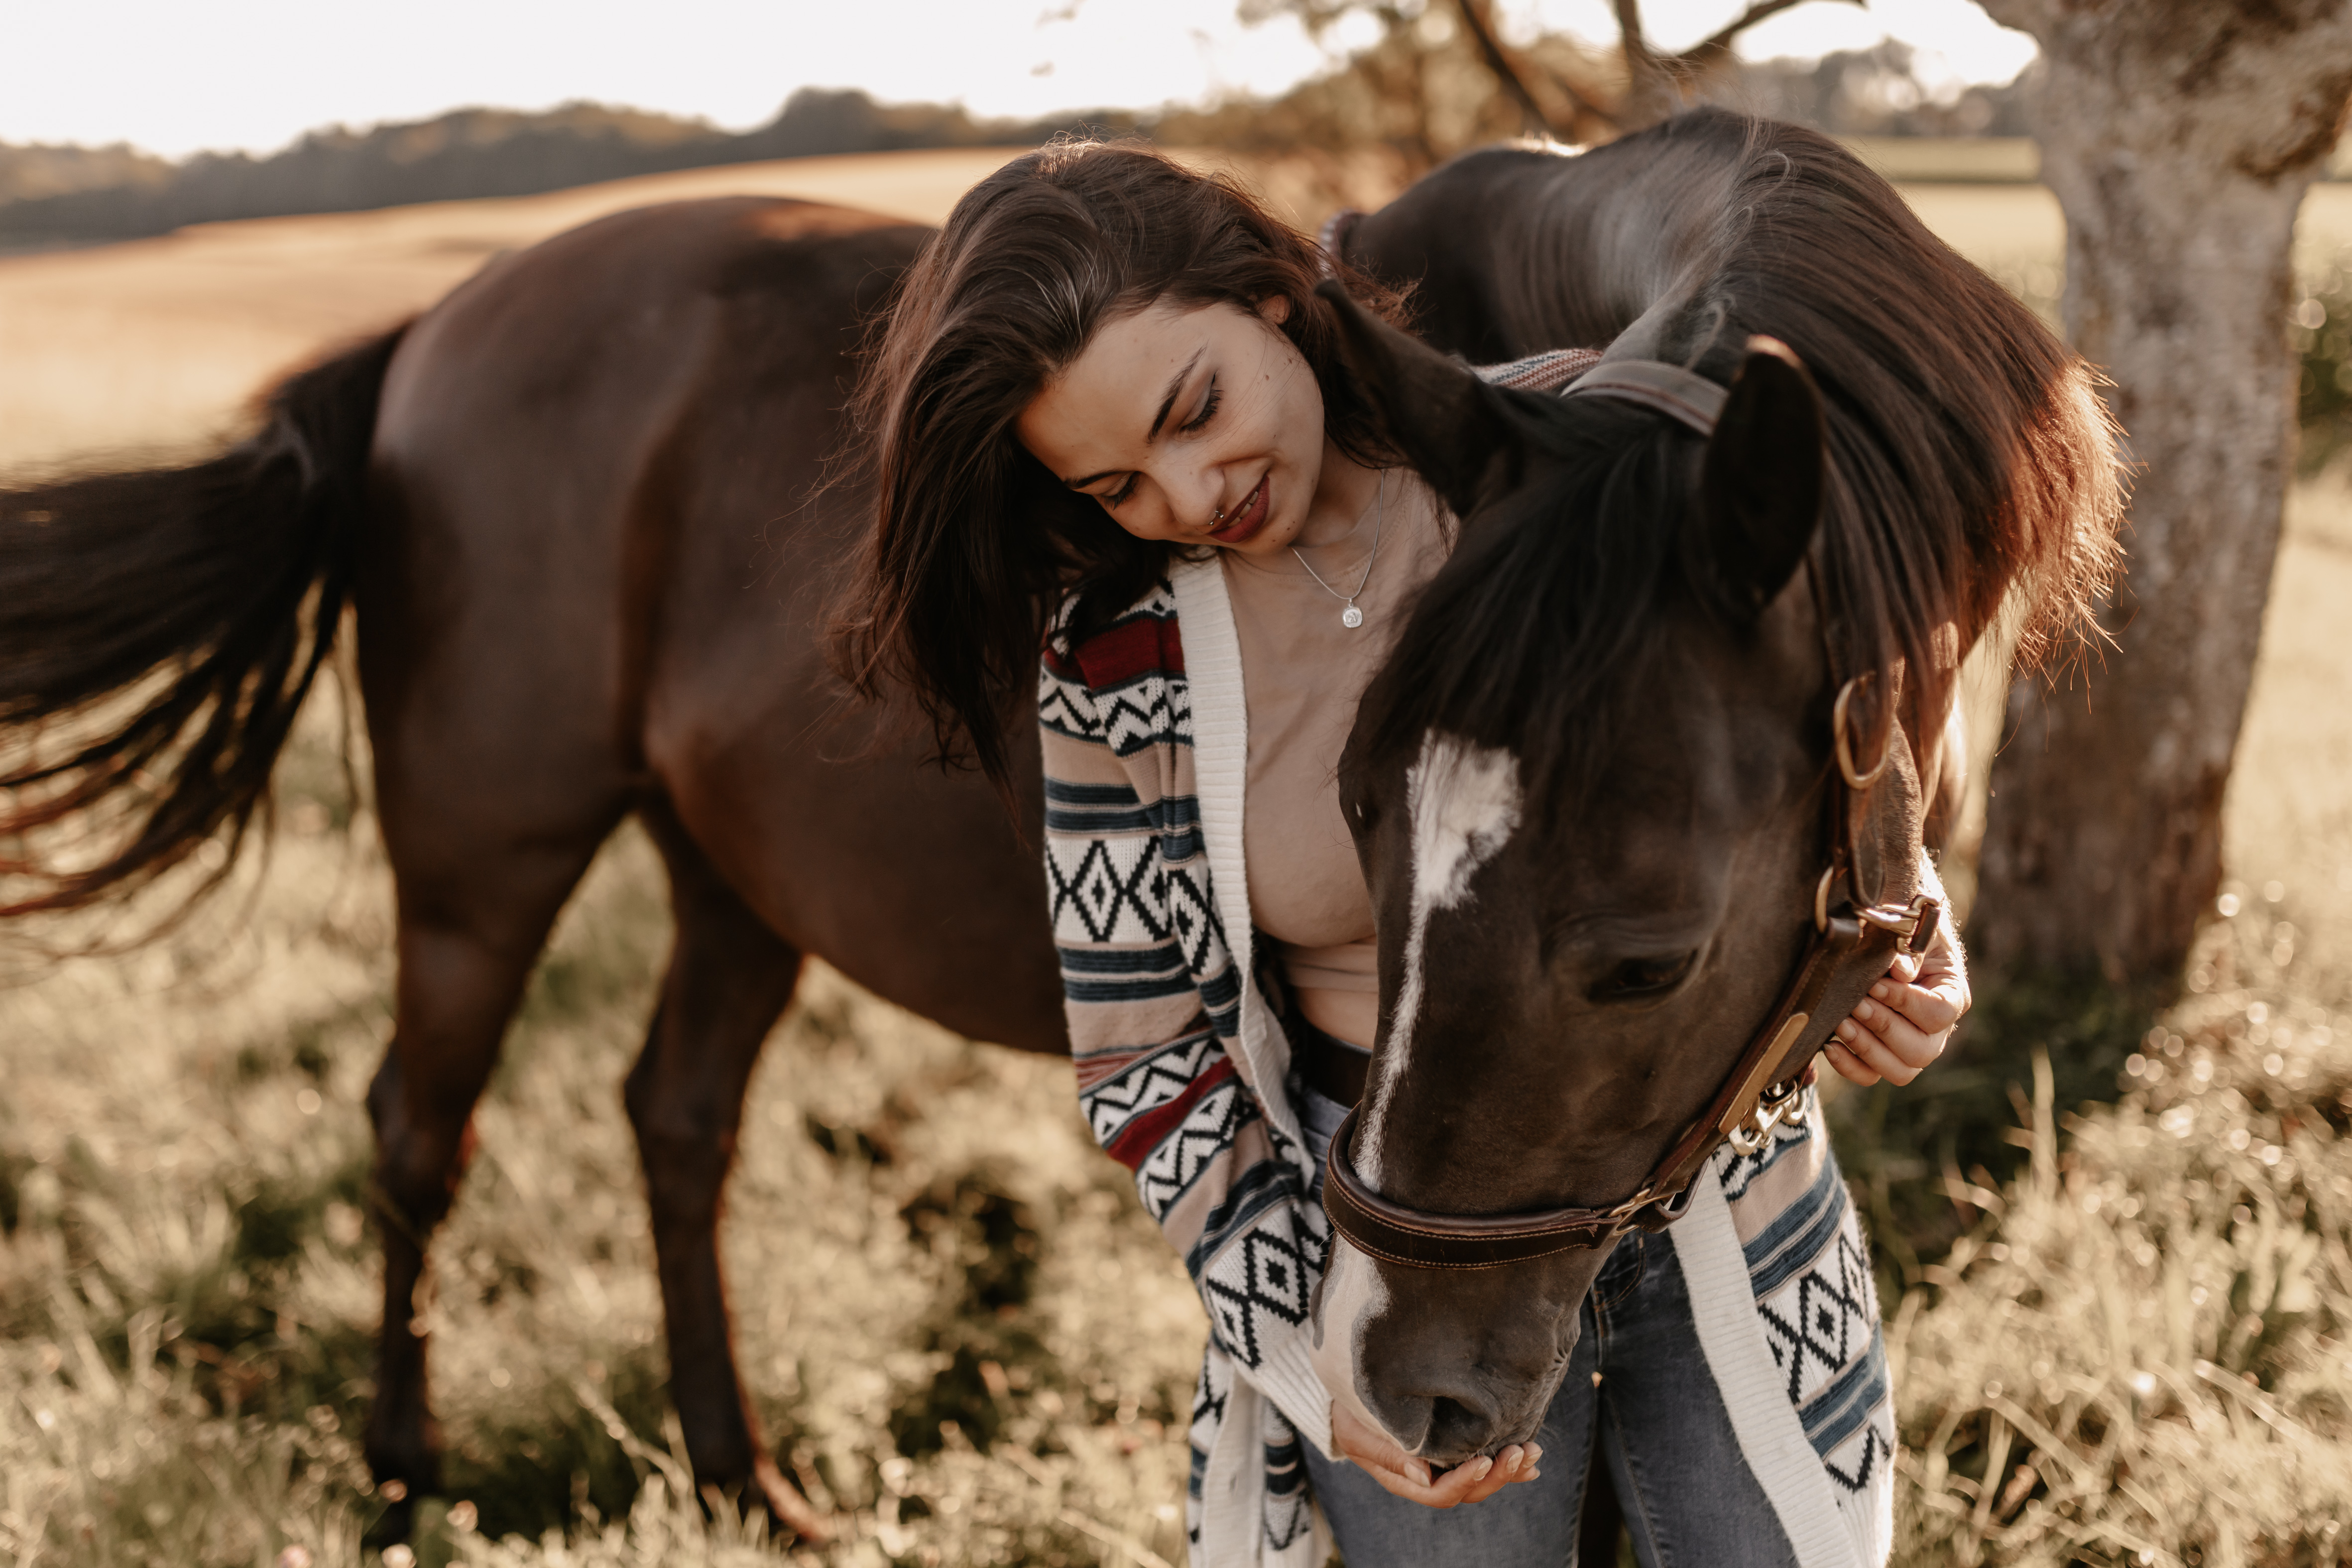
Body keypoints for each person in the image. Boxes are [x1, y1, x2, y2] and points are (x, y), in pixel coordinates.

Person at [835, 140, 1968, 1568]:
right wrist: (1310, 1354)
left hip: (1713, 1185)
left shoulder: (1569, 459)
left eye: (1197, 410)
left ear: (1272, 295)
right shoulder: (1117, 667)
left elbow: (1831, 685)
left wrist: (1901, 912)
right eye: (1117, 484)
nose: (1189, 496)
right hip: (1375, 1239)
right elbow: (1146, 1062)